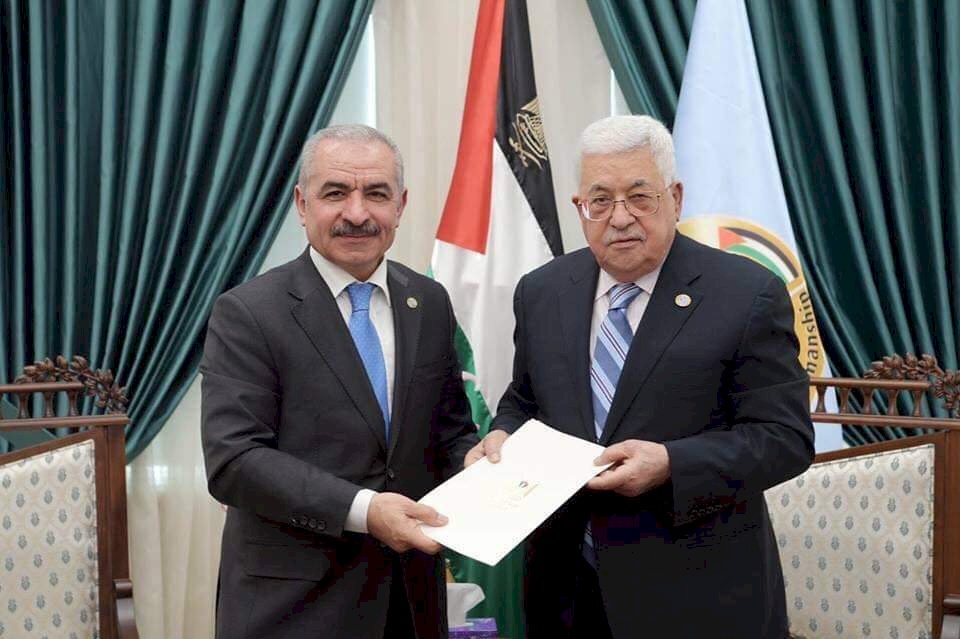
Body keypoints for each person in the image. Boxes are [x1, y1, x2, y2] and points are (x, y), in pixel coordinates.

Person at [466, 115, 815, 638]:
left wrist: (672, 463)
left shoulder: (747, 294)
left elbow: (785, 438)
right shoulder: (541, 291)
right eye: (600, 200)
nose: (620, 217)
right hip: (564, 592)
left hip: (699, 595)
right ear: (579, 208)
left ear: (674, 198)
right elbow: (525, 401)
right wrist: (502, 435)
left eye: (639, 197)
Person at [201, 124, 478, 639]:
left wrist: (475, 463)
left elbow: (448, 431)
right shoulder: (248, 312)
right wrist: (367, 512)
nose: (357, 213)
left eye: (376, 193)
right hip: (294, 608)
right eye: (335, 193)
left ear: (401, 205)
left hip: (410, 602)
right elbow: (235, 460)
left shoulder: (428, 301)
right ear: (302, 204)